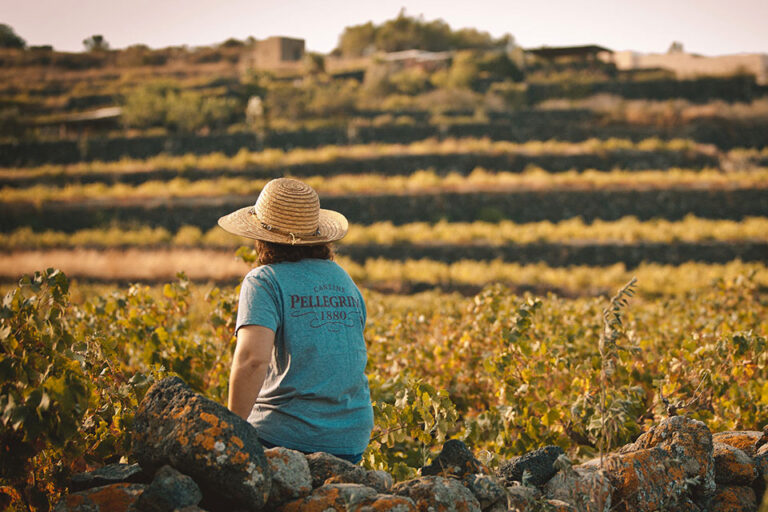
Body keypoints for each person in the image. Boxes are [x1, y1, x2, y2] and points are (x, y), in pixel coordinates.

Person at [218, 177, 373, 464]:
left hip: (286, 436)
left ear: (261, 236)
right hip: (351, 442)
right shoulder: (343, 279)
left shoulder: (263, 280)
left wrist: (232, 433)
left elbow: (252, 360)